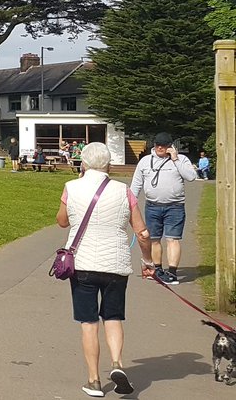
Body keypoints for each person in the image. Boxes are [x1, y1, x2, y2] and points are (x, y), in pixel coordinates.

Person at [56, 142, 155, 398]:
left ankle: (93, 379)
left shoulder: (71, 188)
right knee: (113, 317)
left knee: (88, 322)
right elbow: (142, 233)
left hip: (83, 264)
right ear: (108, 165)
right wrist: (148, 262)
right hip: (116, 264)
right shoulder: (124, 191)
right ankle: (117, 364)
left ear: (84, 164)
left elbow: (62, 221)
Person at [130, 132, 197, 285]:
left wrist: (175, 159)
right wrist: (130, 203)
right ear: (154, 145)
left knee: (172, 239)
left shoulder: (181, 160)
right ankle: (158, 270)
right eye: (158, 144)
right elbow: (136, 184)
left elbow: (191, 176)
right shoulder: (145, 161)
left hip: (175, 206)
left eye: (164, 145)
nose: (160, 147)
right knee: (153, 240)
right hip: (152, 206)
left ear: (170, 146)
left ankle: (172, 273)